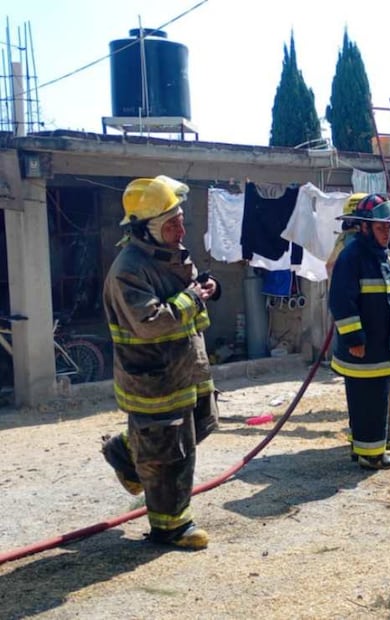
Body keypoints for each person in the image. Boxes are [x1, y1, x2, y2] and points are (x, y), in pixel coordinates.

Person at [100, 175, 221, 550]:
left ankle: (126, 450)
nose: (181, 229)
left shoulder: (170, 251)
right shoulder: (128, 270)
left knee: (203, 424)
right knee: (171, 451)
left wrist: (208, 286)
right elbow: (151, 323)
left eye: (181, 219)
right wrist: (193, 298)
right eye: (172, 224)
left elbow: (191, 287)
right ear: (147, 229)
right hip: (154, 379)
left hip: (188, 369)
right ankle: (170, 526)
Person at [327, 193, 390, 457]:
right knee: (369, 401)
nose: (388, 233)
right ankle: (371, 454)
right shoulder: (352, 254)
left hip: (385, 343)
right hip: (366, 348)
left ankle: (377, 443)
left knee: (380, 397)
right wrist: (354, 338)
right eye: (382, 227)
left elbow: (386, 298)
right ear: (364, 226)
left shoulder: (378, 255)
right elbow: (342, 302)